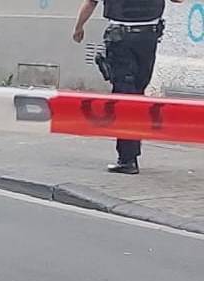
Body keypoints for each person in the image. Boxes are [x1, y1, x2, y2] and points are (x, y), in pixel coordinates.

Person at [73, 0, 181, 174]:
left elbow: (90, 3)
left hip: (121, 38)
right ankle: (130, 154)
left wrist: (79, 27)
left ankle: (127, 158)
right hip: (148, 38)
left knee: (124, 97)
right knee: (136, 95)